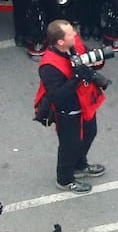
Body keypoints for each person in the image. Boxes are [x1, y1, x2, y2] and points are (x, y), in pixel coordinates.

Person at [36, 19, 109, 194]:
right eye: (70, 34)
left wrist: (96, 62)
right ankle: (65, 179)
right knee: (69, 145)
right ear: (60, 41)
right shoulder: (48, 67)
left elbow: (91, 58)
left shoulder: (74, 45)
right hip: (67, 110)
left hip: (85, 104)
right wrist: (76, 78)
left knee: (89, 133)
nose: (75, 35)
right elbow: (57, 96)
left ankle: (79, 165)